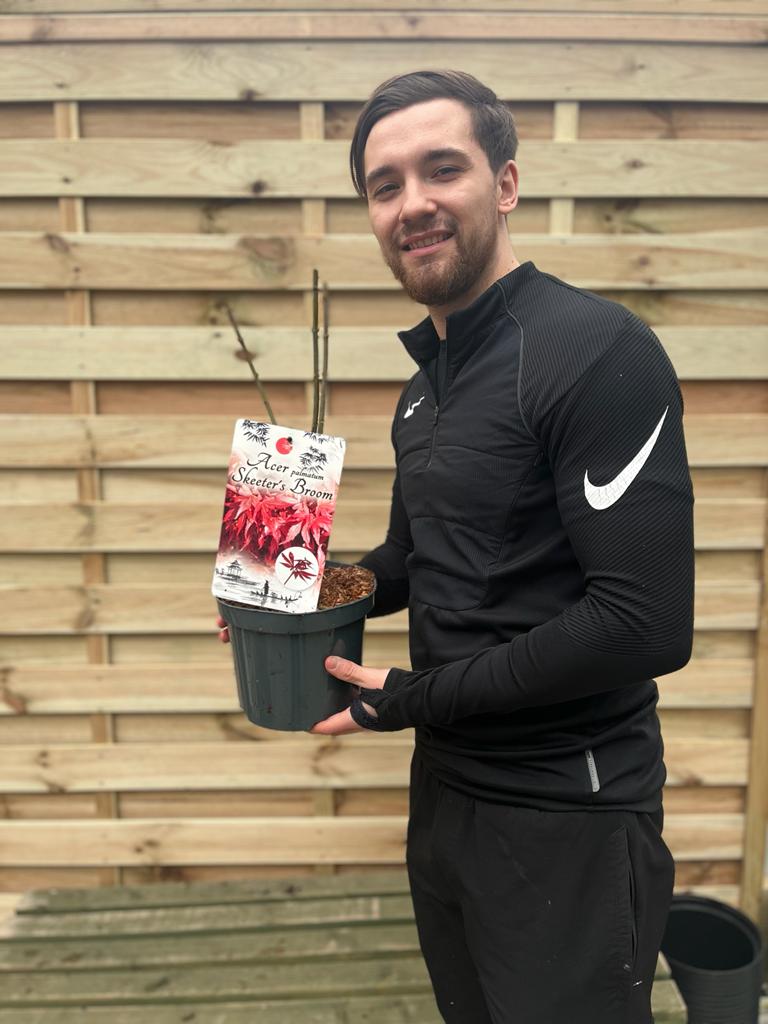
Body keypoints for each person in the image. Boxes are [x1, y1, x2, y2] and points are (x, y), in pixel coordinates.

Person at [219, 69, 694, 1024]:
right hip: (446, 799)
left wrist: (411, 699)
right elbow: (415, 559)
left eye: (443, 169)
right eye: (385, 184)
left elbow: (643, 625)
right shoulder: (426, 385)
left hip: (569, 813)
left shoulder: (598, 352)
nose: (413, 202)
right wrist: (286, 587)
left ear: (506, 183)